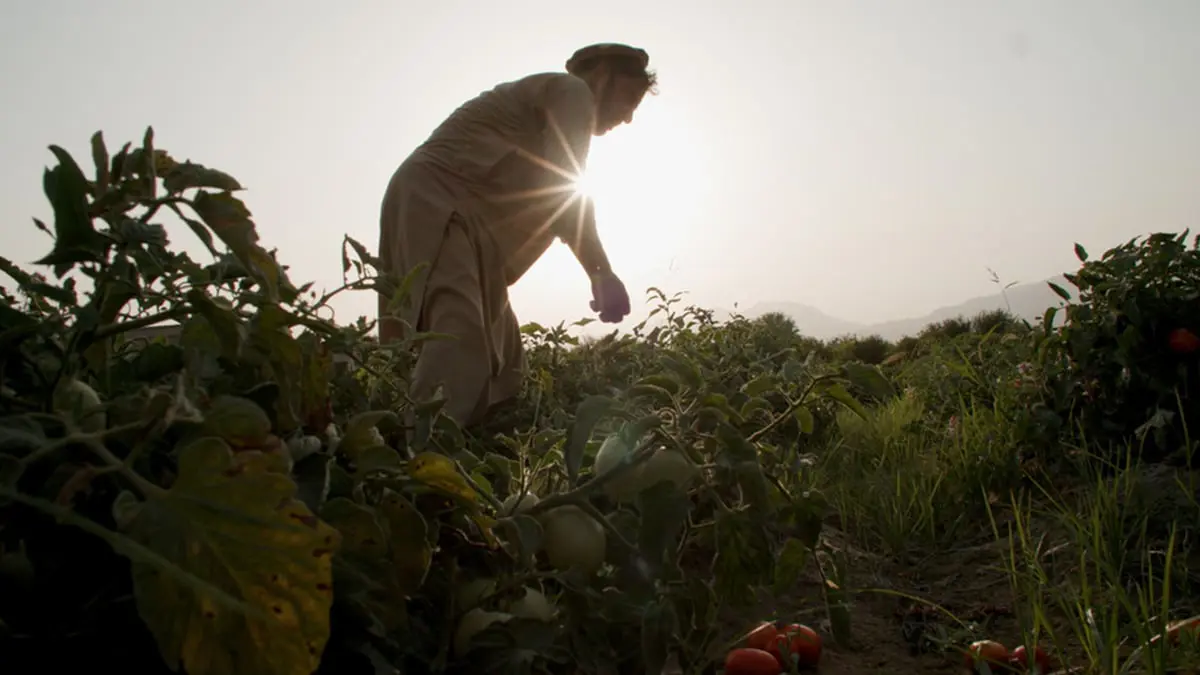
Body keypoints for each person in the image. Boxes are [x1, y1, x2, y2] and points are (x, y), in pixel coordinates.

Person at [377, 43, 657, 428]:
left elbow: (556, 200)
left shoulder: (559, 104)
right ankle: (419, 463)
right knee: (459, 338)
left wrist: (597, 270)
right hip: (437, 201)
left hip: (468, 225)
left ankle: (453, 440)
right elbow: (565, 192)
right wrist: (601, 273)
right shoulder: (574, 93)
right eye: (630, 99)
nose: (627, 118)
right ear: (603, 77)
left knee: (506, 363)